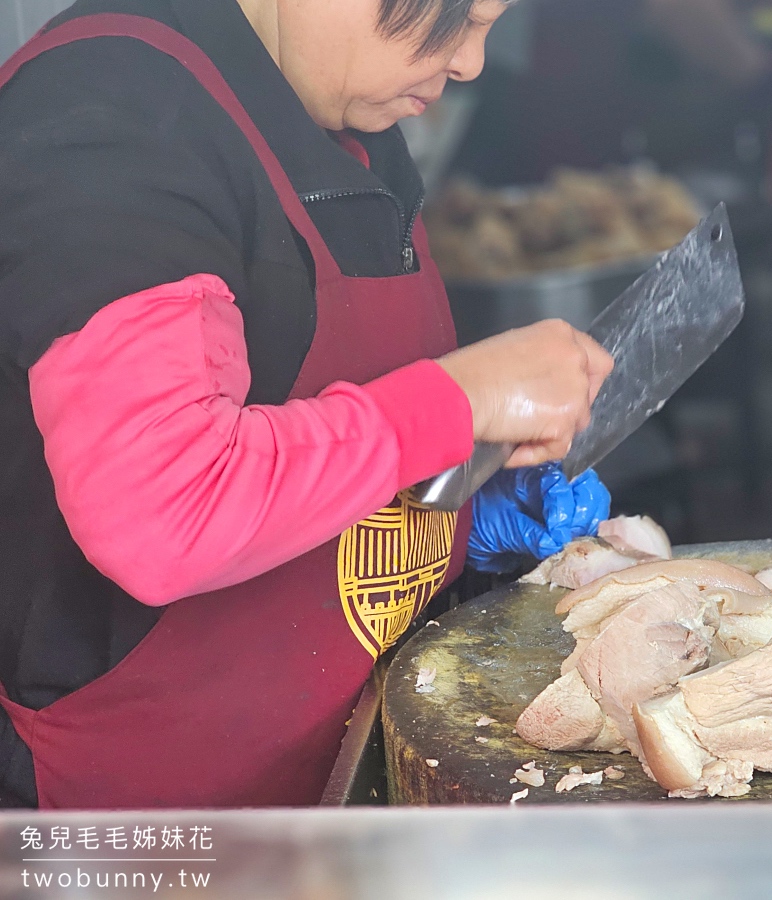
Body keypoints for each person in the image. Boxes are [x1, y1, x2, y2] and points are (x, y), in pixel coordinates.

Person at [0, 0, 614, 809]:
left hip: (335, 774)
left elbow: (326, 422)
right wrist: (463, 400)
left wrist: (451, 504)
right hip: (156, 811)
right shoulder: (115, 119)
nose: (470, 63)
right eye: (458, 16)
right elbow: (164, 508)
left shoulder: (335, 117)